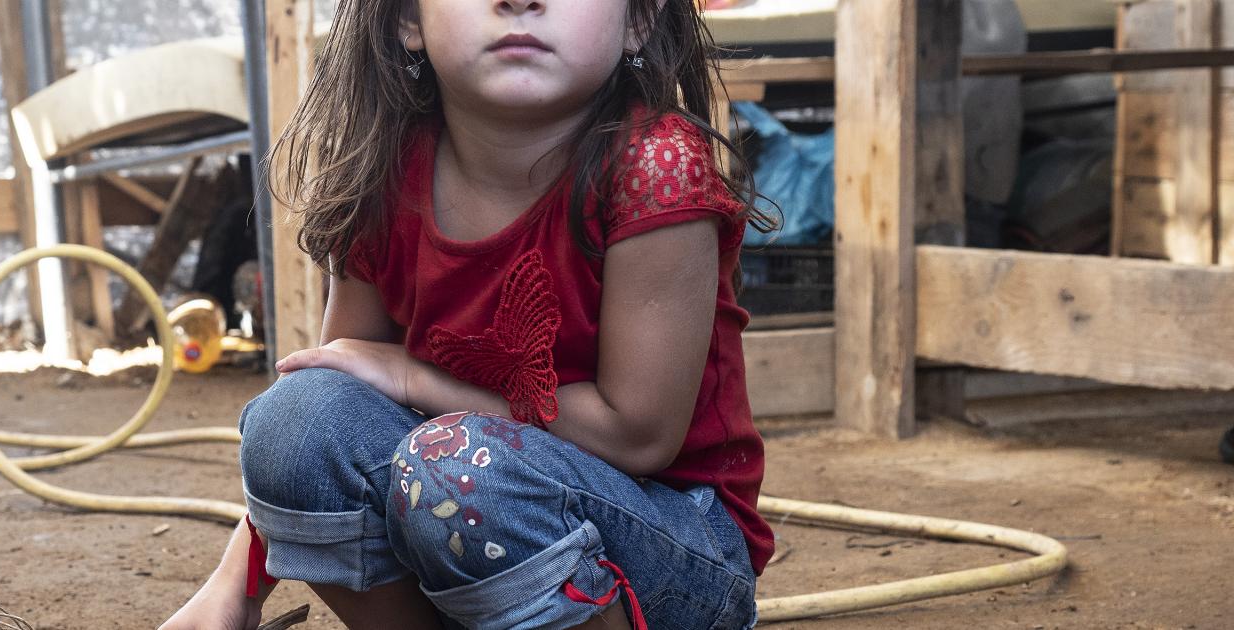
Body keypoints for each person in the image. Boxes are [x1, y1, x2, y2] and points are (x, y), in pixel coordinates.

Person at [161, 0, 776, 627]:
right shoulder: (384, 165)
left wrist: (418, 379)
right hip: (472, 519)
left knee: (458, 464)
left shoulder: (656, 165)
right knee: (297, 418)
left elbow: (638, 434)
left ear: (638, 22)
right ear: (407, 21)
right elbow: (335, 393)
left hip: (674, 543)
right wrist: (237, 585)